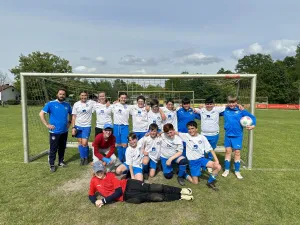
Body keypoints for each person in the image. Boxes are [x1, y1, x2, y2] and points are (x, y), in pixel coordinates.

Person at [88, 161, 194, 207]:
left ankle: (180, 190)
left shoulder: (110, 175)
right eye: (98, 172)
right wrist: (96, 201)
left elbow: (118, 191)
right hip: (127, 197)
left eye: (101, 171)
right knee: (155, 197)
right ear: (94, 172)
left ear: (104, 170)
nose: (100, 173)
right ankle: (180, 196)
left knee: (155, 187)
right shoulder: (94, 181)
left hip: (129, 185)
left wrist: (104, 200)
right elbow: (91, 195)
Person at [177, 121, 221, 191]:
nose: (191, 130)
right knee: (195, 182)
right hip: (193, 162)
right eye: (189, 129)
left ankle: (210, 182)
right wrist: (162, 132)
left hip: (201, 159)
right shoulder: (186, 136)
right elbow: (174, 132)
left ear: (196, 129)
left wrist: (216, 160)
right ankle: (184, 174)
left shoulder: (202, 137)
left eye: (192, 128)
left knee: (218, 166)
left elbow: (210, 149)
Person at [222, 95, 256, 179]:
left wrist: (253, 125)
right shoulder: (225, 110)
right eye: (230, 102)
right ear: (228, 102)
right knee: (228, 152)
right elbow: (213, 111)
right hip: (228, 135)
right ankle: (226, 170)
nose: (232, 104)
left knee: (237, 152)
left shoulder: (241, 110)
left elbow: (252, 117)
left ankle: (237, 171)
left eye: (233, 102)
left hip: (237, 135)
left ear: (236, 102)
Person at [39, 88, 72, 172]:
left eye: (63, 94)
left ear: (65, 95)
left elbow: (71, 114)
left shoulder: (67, 105)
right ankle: (52, 164)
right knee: (53, 148)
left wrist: (69, 122)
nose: (62, 95)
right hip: (54, 131)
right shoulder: (51, 104)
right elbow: (41, 114)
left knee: (62, 147)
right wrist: (47, 124)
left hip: (64, 130)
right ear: (57, 95)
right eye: (60, 94)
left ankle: (61, 162)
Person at [193, 97, 225, 172]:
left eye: (211, 104)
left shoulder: (217, 109)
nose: (209, 105)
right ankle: (203, 165)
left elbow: (227, 107)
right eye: (207, 104)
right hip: (204, 135)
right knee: (203, 151)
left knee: (211, 151)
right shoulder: (202, 110)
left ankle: (209, 165)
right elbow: (193, 109)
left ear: (213, 104)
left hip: (214, 135)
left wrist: (239, 105)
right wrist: (197, 107)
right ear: (205, 104)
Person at [71, 91, 96, 165]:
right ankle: (83, 158)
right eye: (82, 95)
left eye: (85, 95)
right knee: (80, 143)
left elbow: (100, 103)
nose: (83, 97)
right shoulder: (76, 104)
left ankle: (85, 157)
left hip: (87, 126)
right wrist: (73, 127)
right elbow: (74, 116)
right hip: (78, 126)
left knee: (84, 143)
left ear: (87, 96)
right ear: (79, 96)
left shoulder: (91, 103)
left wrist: (110, 102)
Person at [112, 92, 131, 162]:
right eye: (122, 98)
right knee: (118, 144)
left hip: (125, 127)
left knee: (125, 144)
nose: (123, 99)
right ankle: (120, 160)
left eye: (125, 98)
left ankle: (125, 159)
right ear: (119, 98)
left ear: (126, 98)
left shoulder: (129, 107)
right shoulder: (114, 105)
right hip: (116, 126)